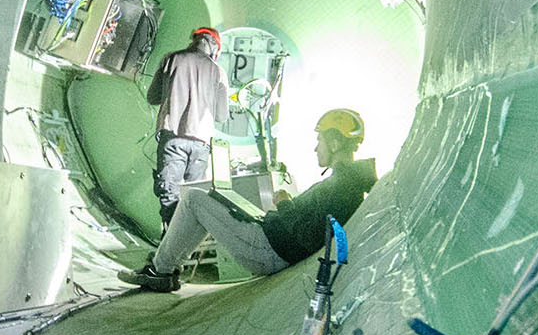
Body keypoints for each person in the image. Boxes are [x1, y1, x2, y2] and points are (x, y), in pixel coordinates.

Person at [120, 108, 376, 292]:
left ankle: (161, 271)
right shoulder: (345, 183)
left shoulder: (343, 188)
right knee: (209, 201)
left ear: (333, 143)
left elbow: (309, 237)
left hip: (268, 251)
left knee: (193, 200)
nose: (315, 147)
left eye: (319, 140)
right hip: (268, 240)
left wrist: (285, 205)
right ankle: (167, 267)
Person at [145, 26, 230, 226]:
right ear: (215, 48)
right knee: (194, 196)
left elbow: (152, 97)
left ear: (194, 40)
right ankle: (191, 250)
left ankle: (168, 245)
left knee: (170, 192)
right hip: (201, 143)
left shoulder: (171, 59)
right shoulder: (218, 71)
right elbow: (221, 116)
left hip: (172, 137)